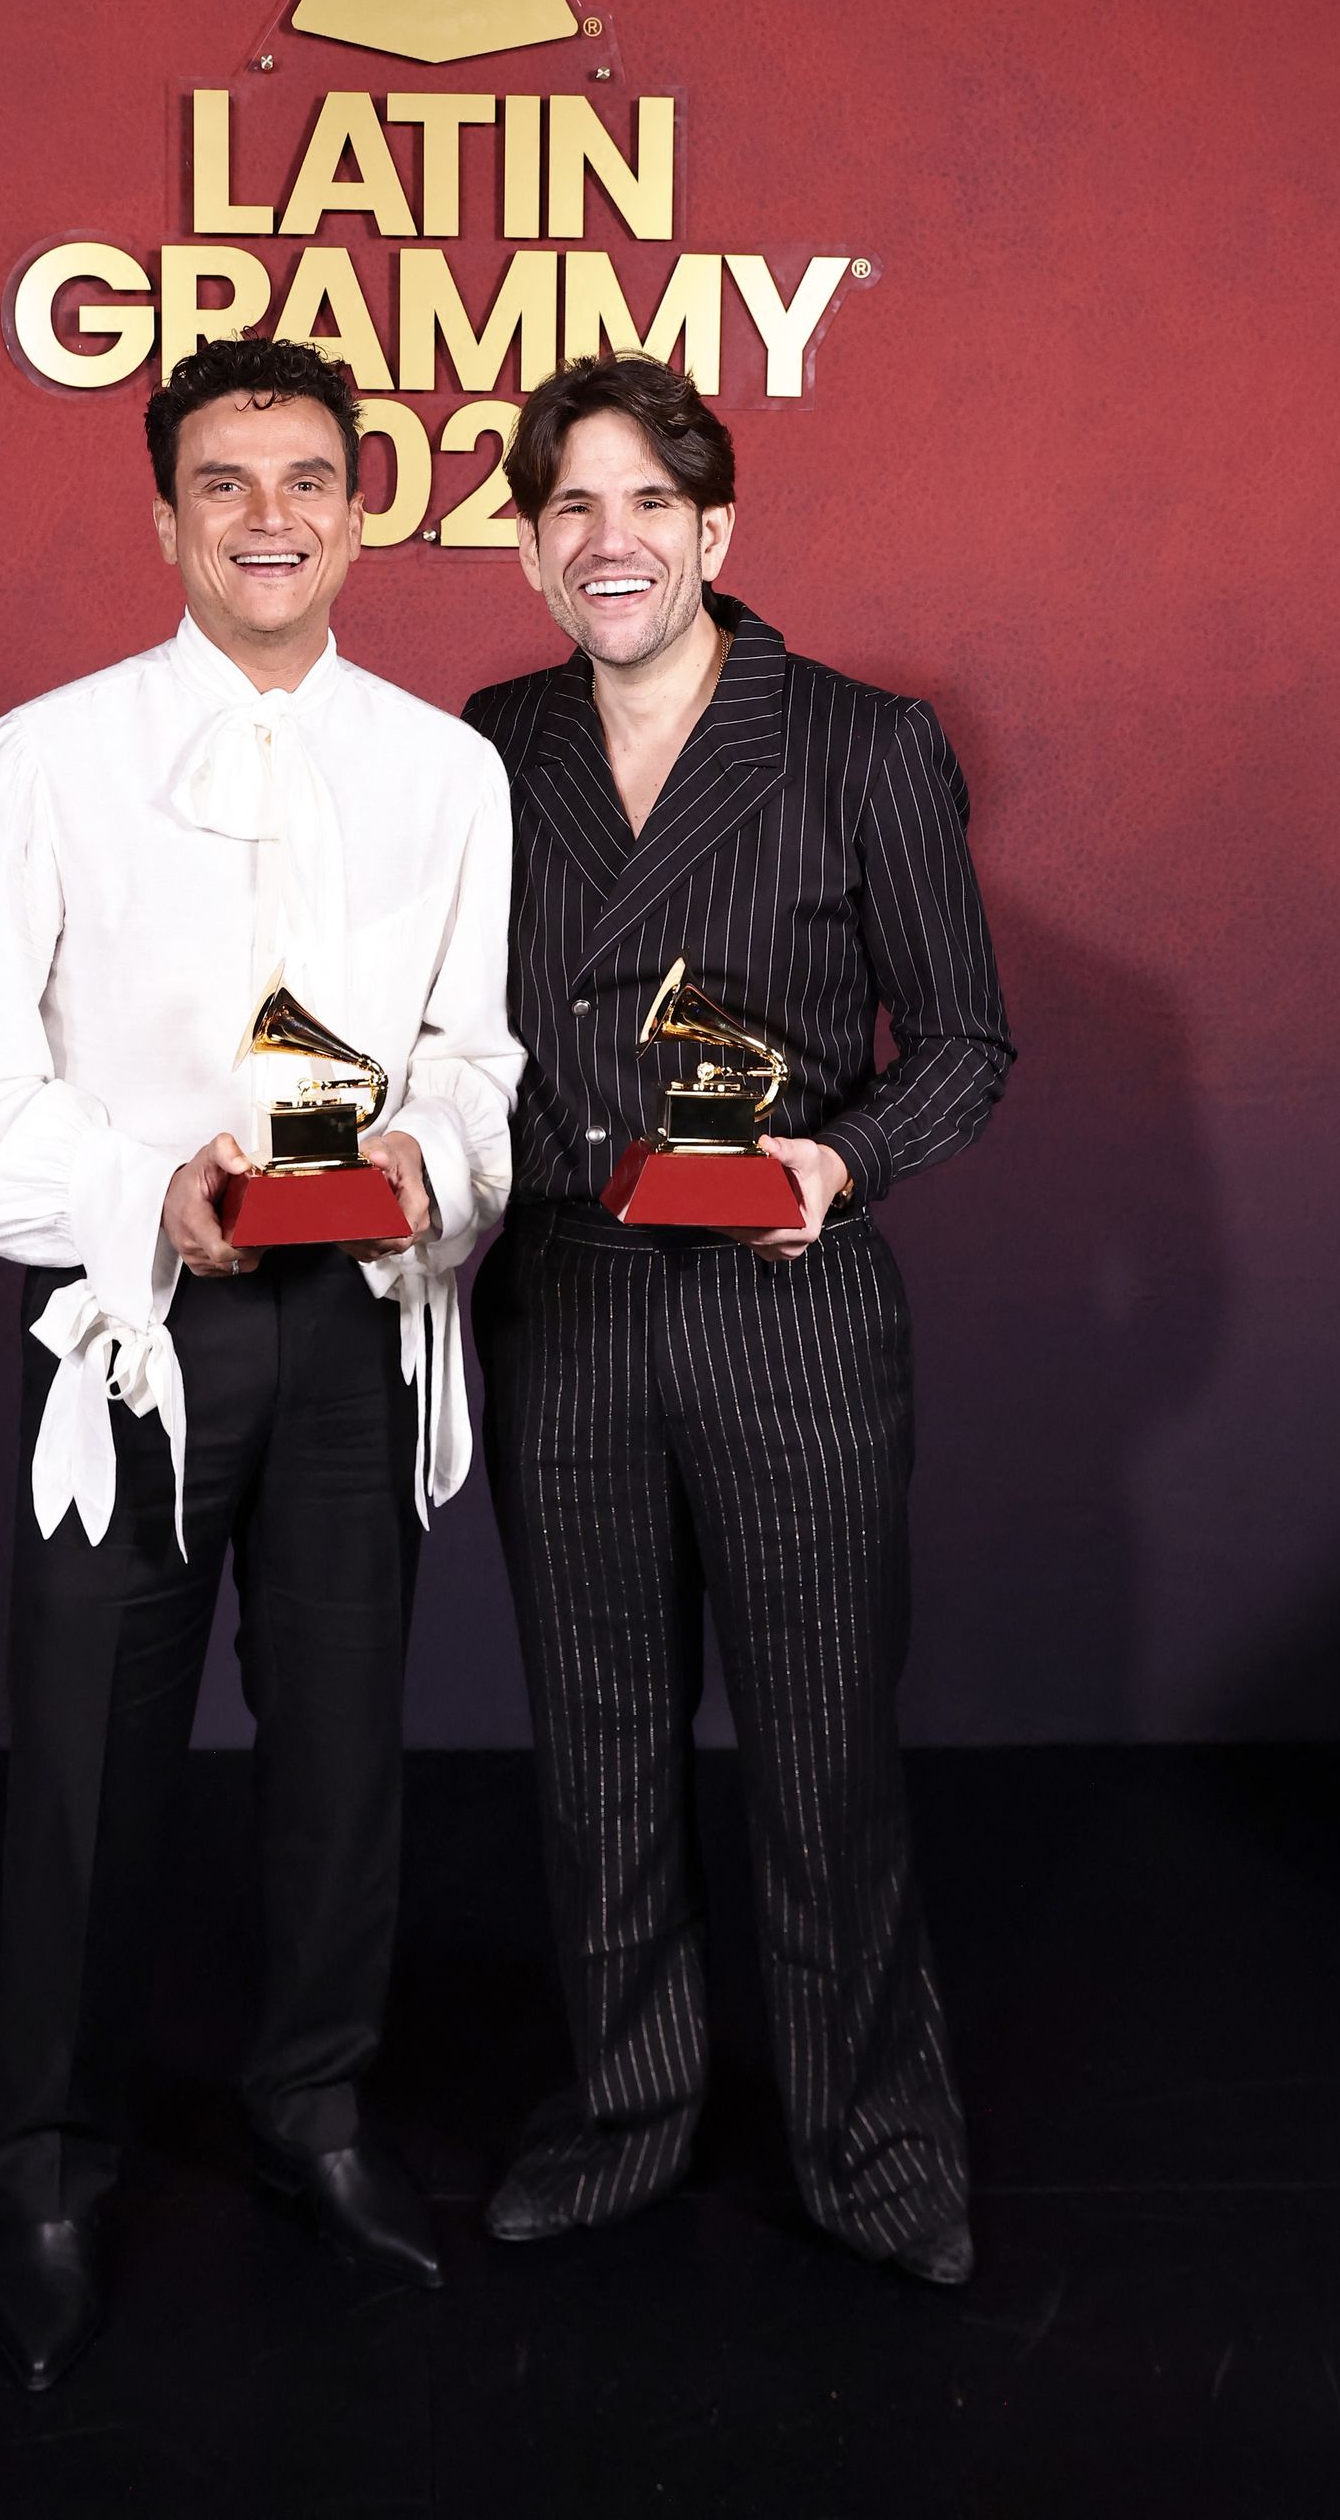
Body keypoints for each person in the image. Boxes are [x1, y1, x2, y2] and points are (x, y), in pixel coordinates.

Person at [0, 335, 520, 2389]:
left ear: (367, 506)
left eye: (309, 478)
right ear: (161, 515)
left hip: (358, 1321)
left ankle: (315, 2113)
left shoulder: (449, 770)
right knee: (88, 1752)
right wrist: (147, 1191)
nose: (271, 516)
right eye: (226, 481)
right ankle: (56, 2166)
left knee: (344, 1748)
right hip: (130, 1323)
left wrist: (438, 1152)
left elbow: (471, 1045)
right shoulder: (40, 760)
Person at [463, 355, 1012, 2283]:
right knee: (600, 1746)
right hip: (566, 1309)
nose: (610, 542)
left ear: (717, 533)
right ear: (530, 552)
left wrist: (827, 1172)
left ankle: (870, 2141)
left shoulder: (860, 740)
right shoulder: (487, 739)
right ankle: (626, 2111)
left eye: (647, 506)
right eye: (570, 510)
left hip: (788, 1318)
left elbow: (962, 1046)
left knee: (820, 1752)